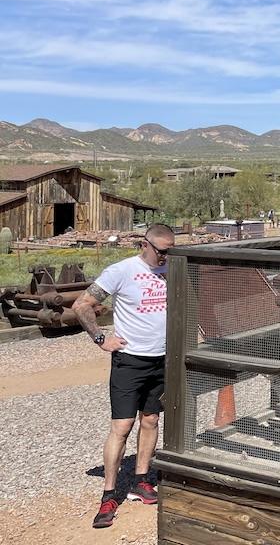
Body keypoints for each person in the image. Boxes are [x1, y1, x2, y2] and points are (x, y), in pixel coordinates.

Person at [72, 223, 175, 529]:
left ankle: (142, 480)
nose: (166, 257)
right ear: (146, 245)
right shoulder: (122, 271)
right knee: (122, 426)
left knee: (152, 419)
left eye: (171, 251)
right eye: (162, 251)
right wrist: (101, 339)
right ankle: (109, 494)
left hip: (161, 359)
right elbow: (81, 305)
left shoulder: (171, 269)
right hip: (130, 361)